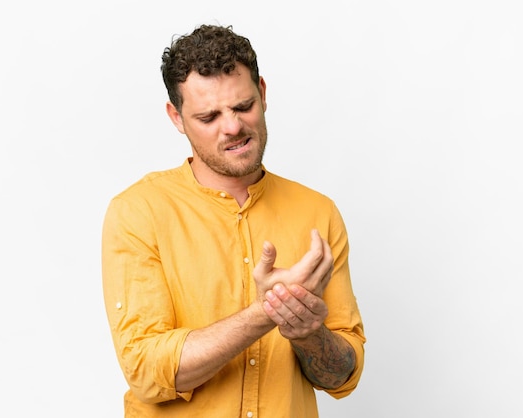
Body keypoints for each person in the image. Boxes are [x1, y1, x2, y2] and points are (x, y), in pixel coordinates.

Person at [101, 24, 366, 418]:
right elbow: (146, 369)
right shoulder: (139, 211)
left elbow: (342, 375)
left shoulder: (318, 212)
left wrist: (309, 334)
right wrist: (268, 311)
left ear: (262, 91)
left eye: (243, 106)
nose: (232, 127)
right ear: (176, 117)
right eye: (208, 116)